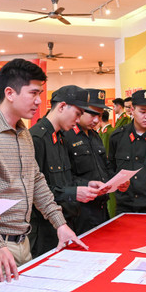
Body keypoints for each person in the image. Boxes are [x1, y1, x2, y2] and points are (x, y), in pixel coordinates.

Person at [0, 59, 86, 292]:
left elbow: (36, 180)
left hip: (23, 241)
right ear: (10, 93)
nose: (39, 101)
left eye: (40, 93)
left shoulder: (23, 132)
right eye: (33, 93)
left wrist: (60, 224)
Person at [29, 85, 105, 256]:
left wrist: (87, 184)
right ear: (62, 107)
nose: (78, 120)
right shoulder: (36, 139)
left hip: (66, 222)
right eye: (77, 114)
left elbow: (66, 179)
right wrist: (73, 193)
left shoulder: (60, 138)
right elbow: (35, 190)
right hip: (44, 229)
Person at [62, 88, 127, 234]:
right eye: (92, 114)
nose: (97, 120)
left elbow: (105, 166)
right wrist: (86, 186)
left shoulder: (95, 136)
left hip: (102, 207)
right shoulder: (67, 136)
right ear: (80, 110)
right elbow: (65, 178)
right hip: (80, 211)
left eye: (99, 114)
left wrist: (117, 180)